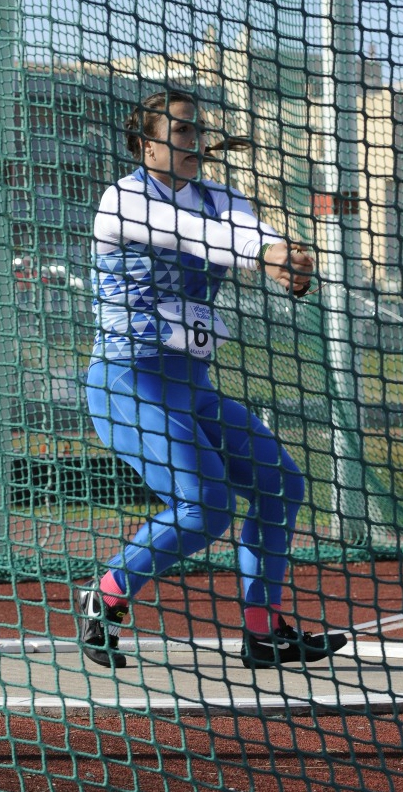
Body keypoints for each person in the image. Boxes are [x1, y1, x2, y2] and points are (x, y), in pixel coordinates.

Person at [79, 88, 346, 671]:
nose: (195, 139)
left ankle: (263, 632)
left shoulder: (221, 196)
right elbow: (197, 236)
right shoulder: (123, 200)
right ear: (146, 145)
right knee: (205, 506)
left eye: (198, 129)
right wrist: (265, 253)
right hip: (130, 383)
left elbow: (243, 230)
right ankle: (105, 594)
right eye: (181, 130)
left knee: (280, 486)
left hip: (191, 386)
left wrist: (284, 259)